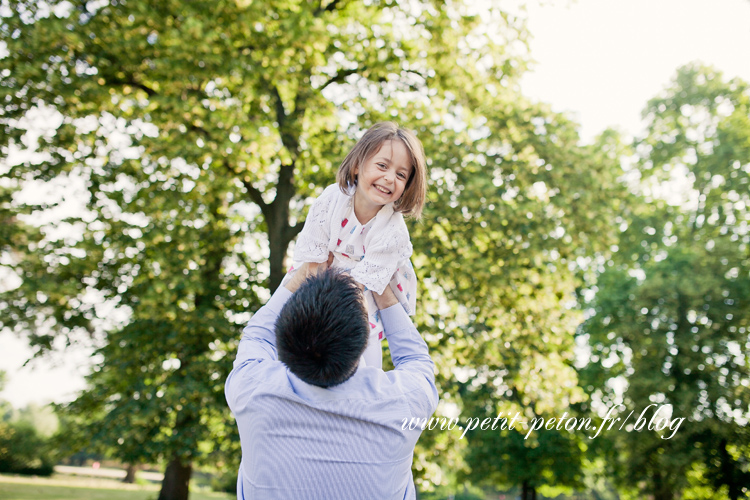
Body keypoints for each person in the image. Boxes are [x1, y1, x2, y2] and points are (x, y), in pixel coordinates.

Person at [225, 260, 438, 500]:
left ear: (284, 335)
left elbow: (257, 336)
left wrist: (301, 274)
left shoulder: (252, 390)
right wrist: (382, 290)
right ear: (365, 339)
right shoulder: (404, 403)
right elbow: (415, 358)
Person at [288, 121, 427, 369]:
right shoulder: (331, 200)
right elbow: (315, 258)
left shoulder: (392, 231)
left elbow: (359, 291)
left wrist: (350, 335)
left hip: (366, 292)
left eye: (400, 174)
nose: (389, 178)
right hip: (320, 278)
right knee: (294, 329)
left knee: (364, 356)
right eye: (382, 166)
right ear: (356, 165)